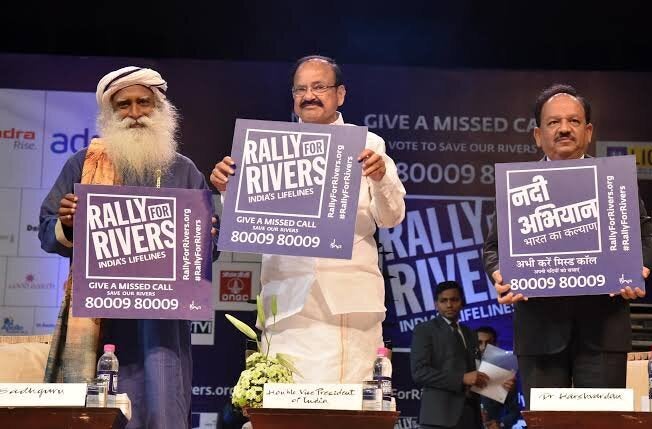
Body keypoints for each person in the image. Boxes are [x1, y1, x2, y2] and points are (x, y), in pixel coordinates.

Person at [39, 66, 217, 429]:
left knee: (163, 411)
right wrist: (67, 223)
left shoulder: (184, 171)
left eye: (143, 103)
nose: (135, 113)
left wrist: (206, 234)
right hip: (101, 324)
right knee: (100, 414)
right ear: (109, 113)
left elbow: (206, 253)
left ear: (160, 108)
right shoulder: (84, 165)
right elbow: (46, 231)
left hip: (163, 328)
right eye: (124, 105)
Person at [211, 55, 406, 383]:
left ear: (340, 94)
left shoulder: (369, 145)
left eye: (319, 87)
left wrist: (381, 177)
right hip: (289, 309)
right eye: (300, 89)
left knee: (348, 410)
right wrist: (228, 190)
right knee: (288, 409)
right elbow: (249, 229)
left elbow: (391, 218)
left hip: (349, 306)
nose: (309, 95)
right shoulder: (270, 149)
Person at [483, 83, 652, 408]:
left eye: (574, 121)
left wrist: (639, 268)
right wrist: (500, 274)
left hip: (603, 333)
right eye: (554, 122)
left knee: (601, 424)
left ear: (588, 130)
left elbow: (650, 241)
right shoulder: (518, 187)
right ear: (538, 134)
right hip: (539, 334)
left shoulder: (612, 181)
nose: (564, 129)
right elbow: (493, 249)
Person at [410, 281, 488, 429]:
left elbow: (476, 372)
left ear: (462, 302)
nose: (449, 305)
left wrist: (500, 385)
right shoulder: (425, 330)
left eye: (454, 300)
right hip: (439, 417)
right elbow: (419, 373)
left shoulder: (470, 333)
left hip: (471, 415)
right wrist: (462, 378)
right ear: (436, 304)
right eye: (443, 300)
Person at [475, 326, 522, 429]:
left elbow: (514, 411)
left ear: (495, 345)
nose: (483, 347)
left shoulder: (505, 374)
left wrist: (501, 424)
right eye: (479, 343)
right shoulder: (462, 371)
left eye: (488, 343)